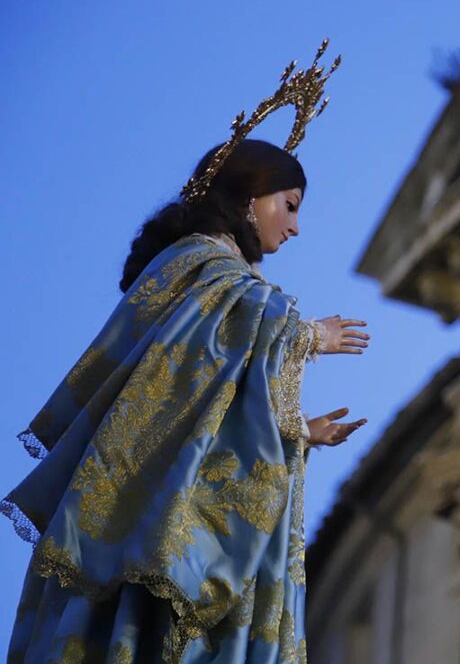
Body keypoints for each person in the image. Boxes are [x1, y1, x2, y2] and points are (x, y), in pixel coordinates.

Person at [2, 138, 369, 662]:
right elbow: (211, 349)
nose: (294, 227)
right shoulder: (199, 264)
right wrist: (307, 335)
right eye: (289, 206)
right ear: (250, 195)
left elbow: (205, 402)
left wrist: (295, 430)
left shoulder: (209, 274)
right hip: (146, 504)